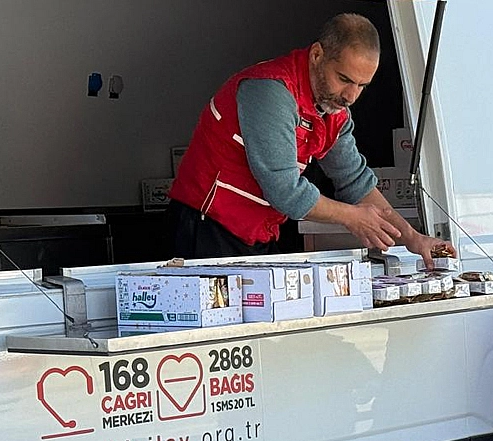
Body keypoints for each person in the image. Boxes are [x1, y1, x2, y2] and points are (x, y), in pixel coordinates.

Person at [168, 13, 449, 263]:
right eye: (344, 78)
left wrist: (414, 239)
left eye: (362, 85)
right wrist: (352, 217)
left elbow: (355, 182)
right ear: (317, 55)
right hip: (206, 227)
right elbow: (285, 191)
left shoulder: (334, 110)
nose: (351, 96)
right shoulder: (270, 91)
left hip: (258, 234)